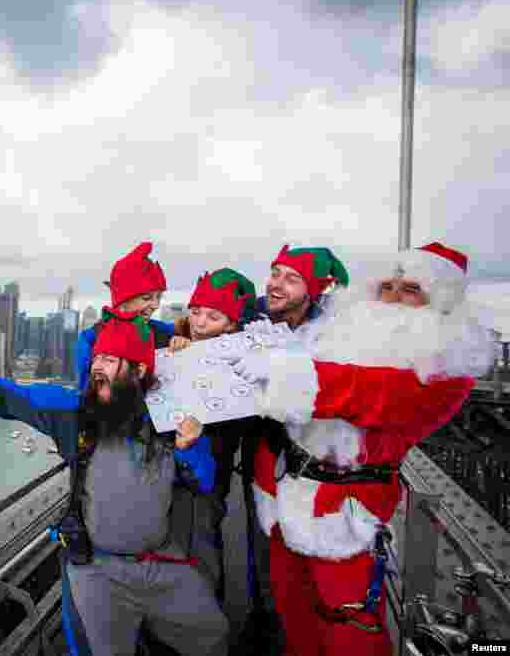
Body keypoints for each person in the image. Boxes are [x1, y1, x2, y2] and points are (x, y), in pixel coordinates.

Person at [232, 242, 494, 656]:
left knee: (348, 627)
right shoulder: (337, 335)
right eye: (386, 285)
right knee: (293, 614)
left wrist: (285, 371)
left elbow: (375, 394)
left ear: (440, 302)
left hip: (345, 513)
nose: (391, 297)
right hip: (283, 494)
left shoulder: (446, 367)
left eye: (410, 289)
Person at [0, 315, 230, 656]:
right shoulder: (77, 414)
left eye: (110, 359)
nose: (98, 366)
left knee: (212, 635)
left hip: (162, 563)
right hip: (98, 571)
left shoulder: (171, 421)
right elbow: (13, 397)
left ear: (140, 371)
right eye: (97, 357)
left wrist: (192, 447)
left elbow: (204, 481)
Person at [234, 244, 349, 651]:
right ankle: (267, 622)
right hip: (263, 451)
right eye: (275, 272)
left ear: (313, 290)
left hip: (317, 461)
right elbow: (201, 329)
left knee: (314, 551)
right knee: (263, 541)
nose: (275, 283)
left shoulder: (335, 333)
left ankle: (315, 628)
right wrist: (178, 336)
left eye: (290, 277)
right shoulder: (252, 314)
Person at [163, 268, 260, 605]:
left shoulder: (243, 363)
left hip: (209, 475)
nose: (200, 322)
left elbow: (237, 417)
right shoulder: (173, 345)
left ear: (231, 325)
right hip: (167, 472)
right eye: (195, 311)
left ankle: (208, 623)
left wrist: (196, 364)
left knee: (203, 547)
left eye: (213, 316)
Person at [76, 242, 183, 393]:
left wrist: (183, 343)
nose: (155, 305)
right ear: (122, 301)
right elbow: (88, 392)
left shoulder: (162, 330)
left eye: (159, 297)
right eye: (147, 298)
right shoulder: (91, 338)